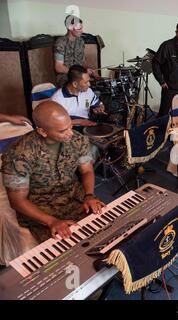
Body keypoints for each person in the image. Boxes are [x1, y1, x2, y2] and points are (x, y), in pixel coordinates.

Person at [1, 101, 105, 243]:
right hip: (41, 208)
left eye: (70, 126)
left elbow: (87, 171)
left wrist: (89, 195)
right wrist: (51, 221)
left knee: (105, 229)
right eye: (63, 131)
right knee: (68, 250)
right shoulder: (19, 155)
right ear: (43, 131)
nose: (70, 133)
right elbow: (17, 201)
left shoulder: (78, 139)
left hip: (75, 196)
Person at [54, 15, 99, 87]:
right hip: (65, 79)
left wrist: (89, 69)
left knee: (97, 87)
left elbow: (82, 62)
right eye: (79, 28)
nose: (82, 31)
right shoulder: (61, 42)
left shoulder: (81, 41)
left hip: (80, 77)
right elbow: (59, 67)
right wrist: (79, 73)